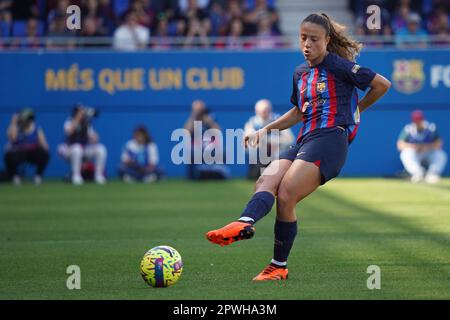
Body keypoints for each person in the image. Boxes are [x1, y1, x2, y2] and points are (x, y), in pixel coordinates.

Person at [205, 13, 391, 281]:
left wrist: (357, 109)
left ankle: (278, 265)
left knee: (287, 192)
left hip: (330, 140)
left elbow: (382, 85)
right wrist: (265, 129)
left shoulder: (339, 66)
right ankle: (246, 224)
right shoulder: (300, 73)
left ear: (327, 40)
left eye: (314, 39)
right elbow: (297, 112)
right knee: (266, 178)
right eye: (303, 38)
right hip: (306, 139)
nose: (307, 44)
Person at [244, 99, 294, 179]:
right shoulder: (252, 123)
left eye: (266, 110)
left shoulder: (279, 120)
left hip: (277, 157)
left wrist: (273, 142)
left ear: (270, 110)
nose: (264, 113)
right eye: (261, 111)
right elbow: (248, 141)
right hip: (258, 158)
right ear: (256, 111)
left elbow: (290, 139)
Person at [58, 105, 107, 185]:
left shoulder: (86, 123)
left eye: (83, 112)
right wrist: (78, 118)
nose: (83, 113)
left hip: (83, 150)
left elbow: (94, 139)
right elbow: (68, 132)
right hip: (69, 150)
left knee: (101, 149)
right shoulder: (69, 121)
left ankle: (98, 176)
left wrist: (93, 135)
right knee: (77, 148)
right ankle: (76, 176)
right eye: (80, 112)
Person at [397, 110, 447, 184]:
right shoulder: (408, 129)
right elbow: (400, 145)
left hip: (428, 152)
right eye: (416, 121)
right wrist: (414, 146)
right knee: (405, 153)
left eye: (419, 120)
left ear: (422, 120)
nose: (417, 122)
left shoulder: (430, 128)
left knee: (441, 155)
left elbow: (439, 143)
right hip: (415, 153)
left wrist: (426, 147)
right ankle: (417, 173)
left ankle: (432, 174)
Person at [183, 99, 229, 179]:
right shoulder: (192, 120)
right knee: (191, 151)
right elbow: (186, 132)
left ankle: (219, 172)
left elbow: (218, 132)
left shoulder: (210, 118)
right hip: (196, 147)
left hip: (211, 147)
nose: (199, 112)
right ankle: (195, 174)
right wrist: (194, 117)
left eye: (200, 110)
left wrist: (209, 121)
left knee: (221, 150)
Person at [4, 108, 50, 185]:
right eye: (26, 119)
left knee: (44, 154)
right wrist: (13, 122)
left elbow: (45, 145)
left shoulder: (36, 129)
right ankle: (15, 177)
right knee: (9, 154)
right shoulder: (16, 128)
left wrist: (43, 146)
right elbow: (13, 138)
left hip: (32, 153)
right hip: (19, 153)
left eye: (30, 119)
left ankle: (38, 176)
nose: (28, 121)